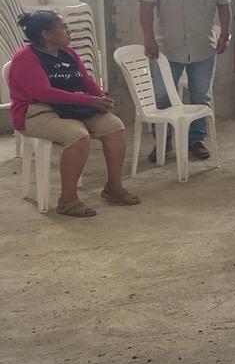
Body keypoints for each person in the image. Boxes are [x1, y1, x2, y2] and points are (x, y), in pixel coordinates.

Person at [8, 11, 139, 216]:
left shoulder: (68, 53)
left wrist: (101, 97)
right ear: (46, 34)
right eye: (63, 27)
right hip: (36, 111)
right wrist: (90, 101)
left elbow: (86, 81)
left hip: (71, 106)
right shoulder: (25, 58)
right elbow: (43, 93)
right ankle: (67, 200)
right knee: (77, 136)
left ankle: (114, 187)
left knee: (114, 127)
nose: (68, 31)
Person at [138, 0, 230, 162]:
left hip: (203, 47)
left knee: (201, 97)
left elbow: (224, 7)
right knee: (161, 97)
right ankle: (163, 141)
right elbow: (146, 6)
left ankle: (195, 140)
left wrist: (225, 35)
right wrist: (148, 38)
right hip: (166, 49)